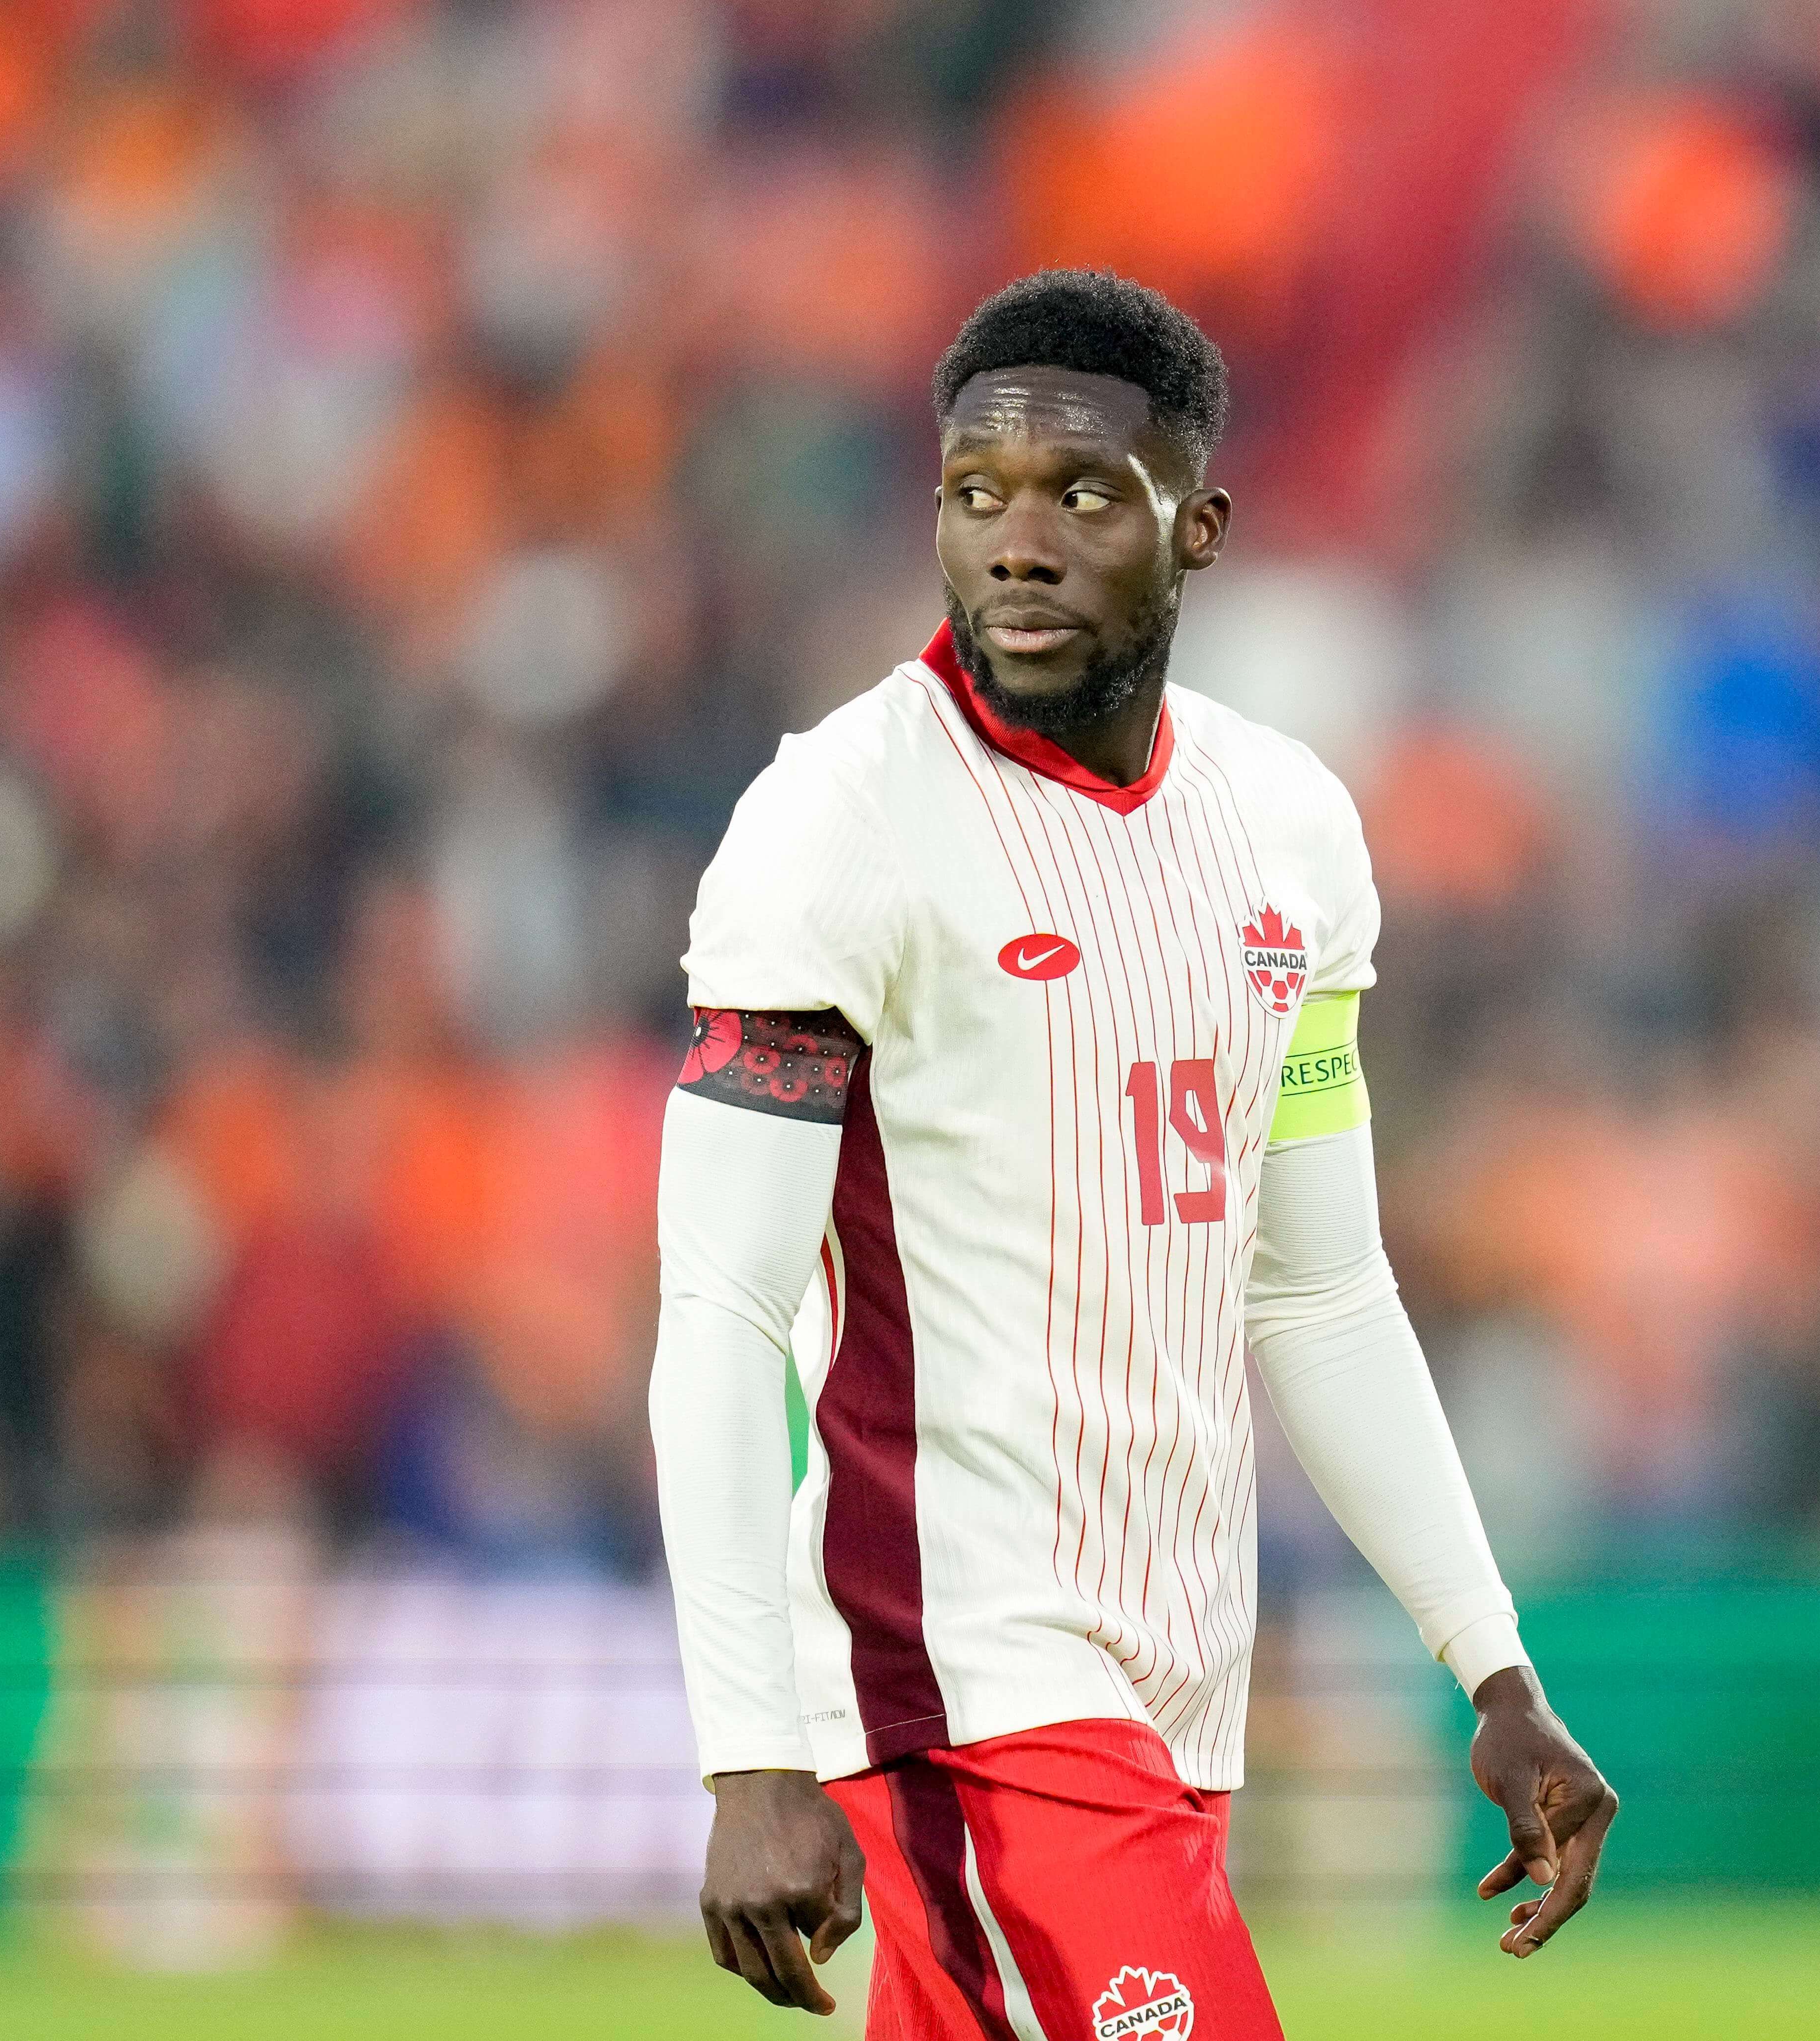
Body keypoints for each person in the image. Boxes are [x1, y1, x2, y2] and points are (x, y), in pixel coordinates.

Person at [648, 270, 1616, 2037]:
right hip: (959, 1671)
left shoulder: (1288, 834)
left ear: (1203, 529)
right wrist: (748, 1755)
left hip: (1183, 1678)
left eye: (1083, 496)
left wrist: (1492, 1663)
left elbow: (1319, 1286)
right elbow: (716, 1312)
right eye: (975, 494)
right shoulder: (834, 824)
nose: (1017, 543)